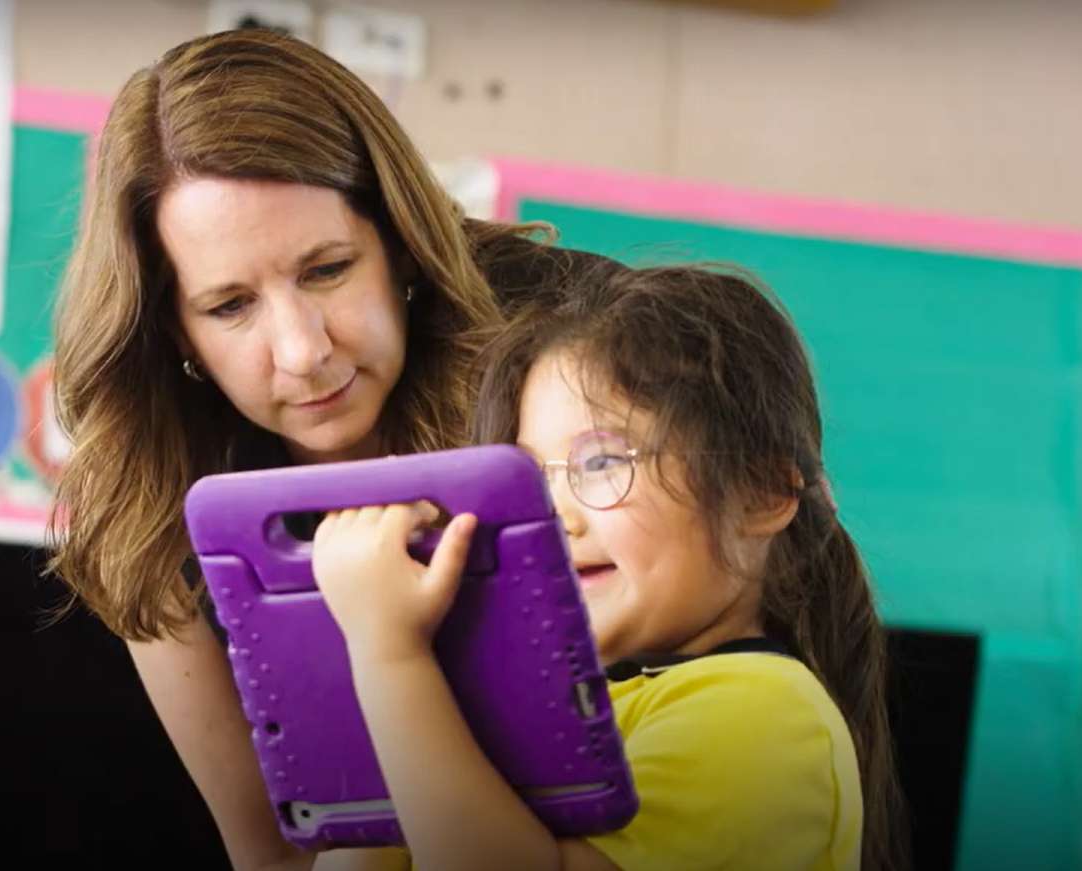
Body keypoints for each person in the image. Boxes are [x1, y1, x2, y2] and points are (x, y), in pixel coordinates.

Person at [48, 28, 614, 871]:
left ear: (399, 242)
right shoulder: (142, 500)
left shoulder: (568, 350)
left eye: (327, 270)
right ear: (175, 333)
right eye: (231, 305)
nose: (303, 349)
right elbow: (273, 854)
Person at [312, 265, 908, 870]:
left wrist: (388, 652)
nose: (555, 517)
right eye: (526, 477)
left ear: (761, 495)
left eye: (600, 463)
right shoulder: (545, 721)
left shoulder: (767, 713)